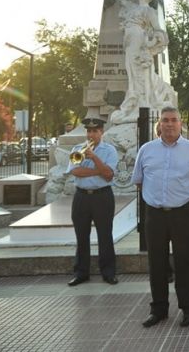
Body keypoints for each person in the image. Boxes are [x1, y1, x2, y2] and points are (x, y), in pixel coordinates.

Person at [132, 107, 189, 328]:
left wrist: (184, 197)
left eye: (174, 120)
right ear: (160, 123)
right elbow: (138, 180)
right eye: (165, 120)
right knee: (156, 262)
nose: (169, 124)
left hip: (182, 213)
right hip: (155, 214)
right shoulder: (146, 150)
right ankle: (158, 309)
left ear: (181, 123)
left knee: (185, 261)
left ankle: (188, 309)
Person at [66, 117, 119, 286]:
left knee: (105, 235)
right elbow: (75, 172)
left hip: (102, 196)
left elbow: (109, 175)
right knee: (81, 236)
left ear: (101, 132)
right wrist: (98, 171)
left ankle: (108, 272)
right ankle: (81, 273)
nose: (91, 134)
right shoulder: (77, 150)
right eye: (88, 131)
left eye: (95, 131)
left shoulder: (110, 150)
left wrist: (94, 157)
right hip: (81, 197)